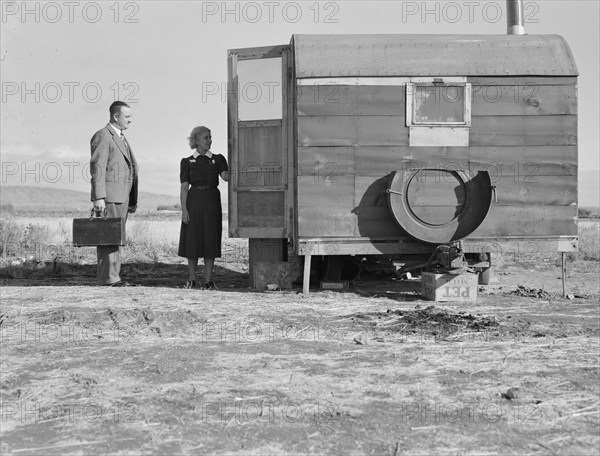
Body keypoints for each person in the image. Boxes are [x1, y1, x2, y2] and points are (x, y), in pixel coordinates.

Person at [90, 101, 138, 286]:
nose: (130, 121)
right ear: (115, 116)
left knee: (116, 238)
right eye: (127, 117)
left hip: (122, 197)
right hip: (109, 197)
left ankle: (114, 276)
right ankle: (108, 278)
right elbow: (98, 168)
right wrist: (99, 197)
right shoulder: (103, 136)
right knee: (107, 238)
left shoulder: (120, 138)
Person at [178, 126, 229, 289]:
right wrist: (184, 210)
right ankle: (192, 279)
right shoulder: (186, 162)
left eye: (210, 137)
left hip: (212, 202)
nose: (210, 140)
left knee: (210, 238)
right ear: (196, 140)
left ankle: (208, 280)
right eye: (206, 137)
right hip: (193, 203)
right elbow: (184, 188)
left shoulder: (219, 159)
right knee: (192, 239)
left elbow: (226, 177)